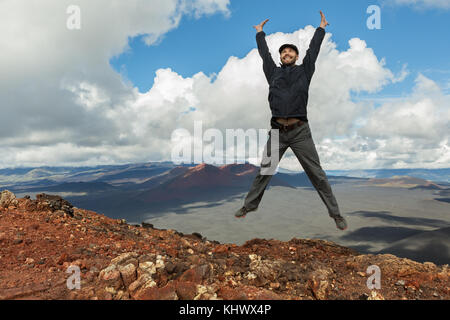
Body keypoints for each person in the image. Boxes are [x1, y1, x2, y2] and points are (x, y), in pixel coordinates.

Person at [235, 11, 348, 231]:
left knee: (317, 174)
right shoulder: (273, 72)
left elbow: (313, 51)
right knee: (264, 172)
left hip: (299, 132)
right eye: (284, 51)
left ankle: (335, 214)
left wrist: (321, 28)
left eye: (291, 51)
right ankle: (249, 206)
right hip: (277, 131)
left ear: (296, 57)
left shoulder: (305, 71)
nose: (287, 53)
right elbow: (264, 55)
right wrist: (260, 33)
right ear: (281, 57)